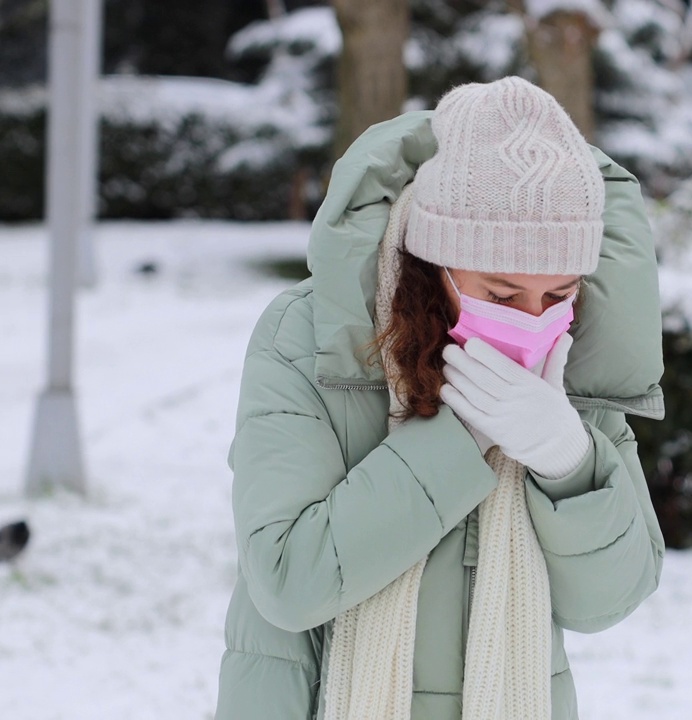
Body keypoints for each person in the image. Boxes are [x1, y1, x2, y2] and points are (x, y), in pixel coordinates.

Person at [215, 76, 666, 720]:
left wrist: (569, 461)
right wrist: (463, 438)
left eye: (558, 294)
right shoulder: (311, 336)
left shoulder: (568, 365)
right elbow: (289, 579)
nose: (533, 319)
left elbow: (607, 601)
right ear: (437, 264)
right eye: (503, 295)